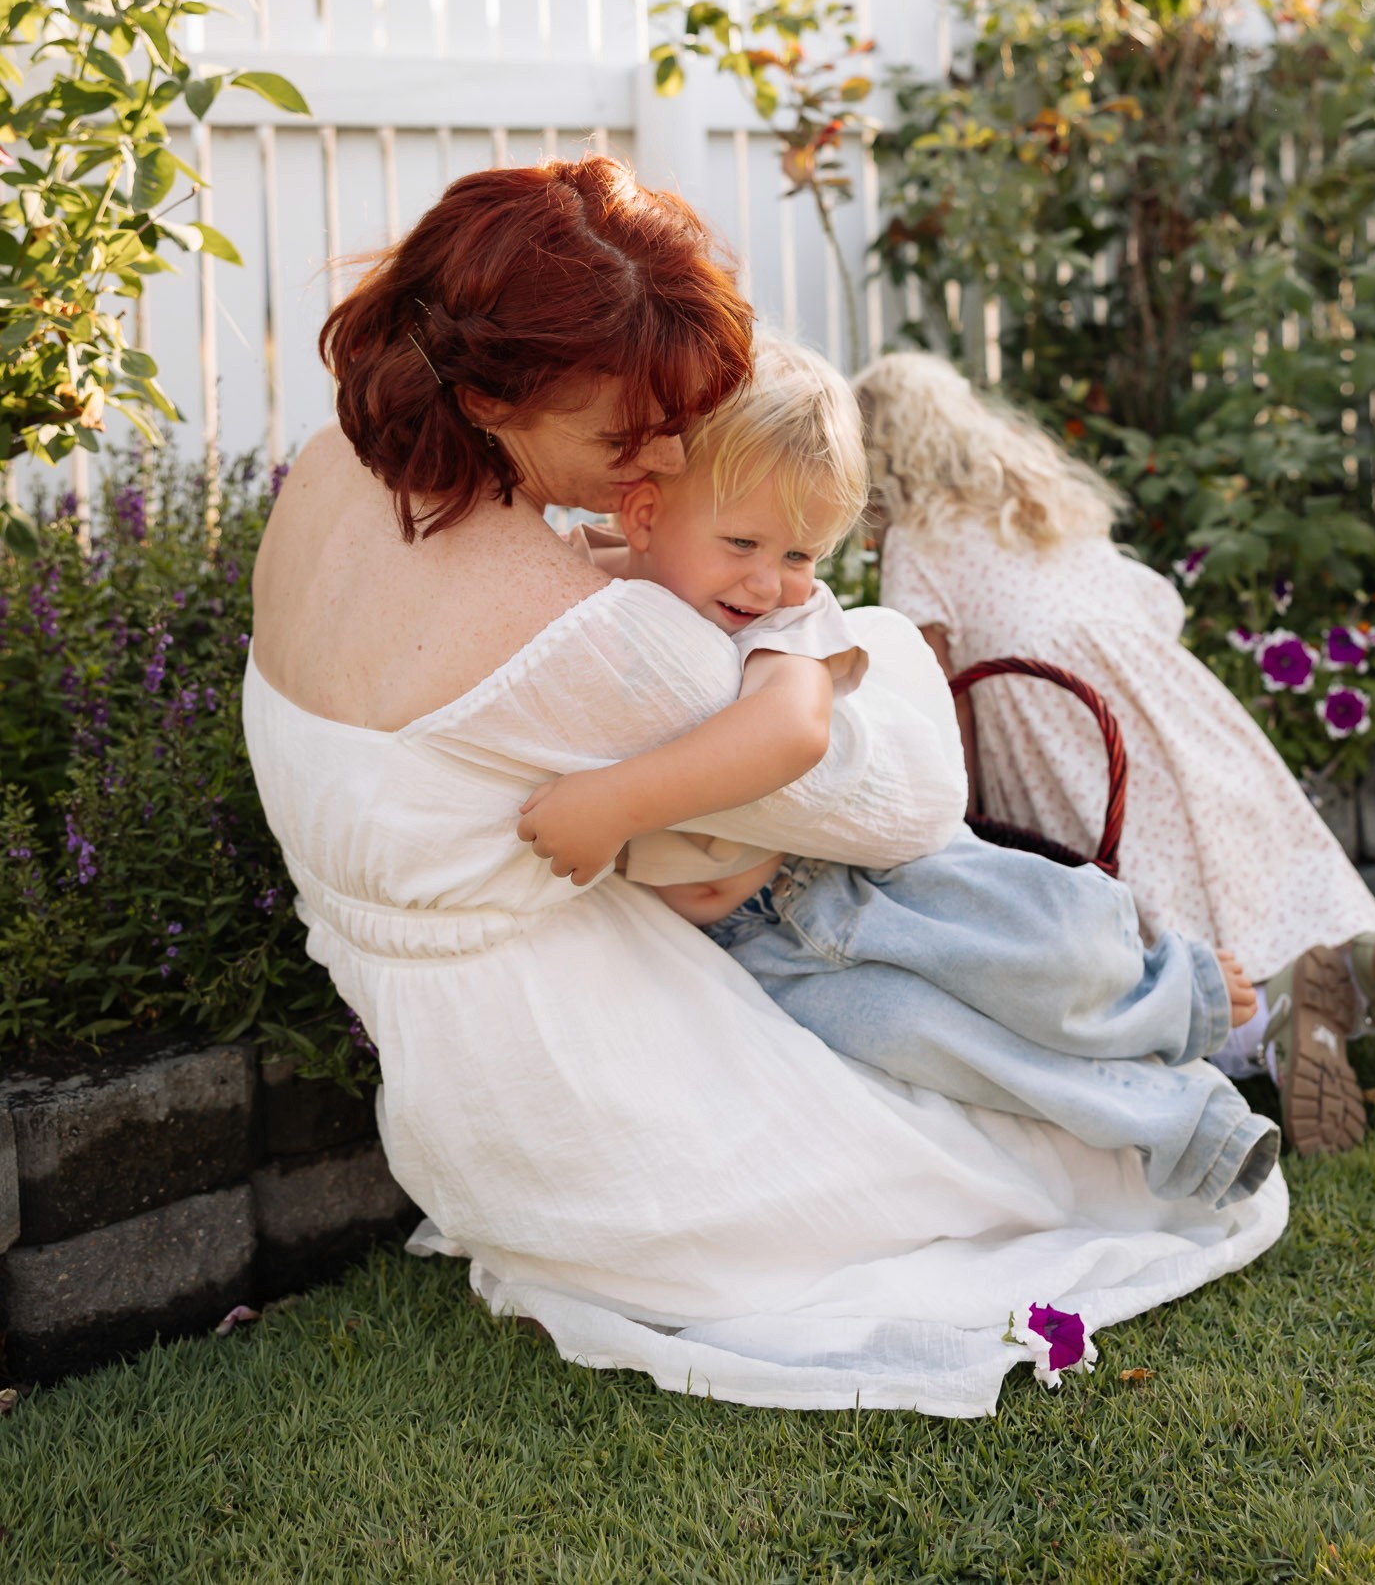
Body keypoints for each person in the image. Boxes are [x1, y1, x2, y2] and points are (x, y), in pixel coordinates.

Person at [245, 157, 1286, 1418]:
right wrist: (877, 648)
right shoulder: (579, 631)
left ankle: (1171, 1004)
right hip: (619, 1118)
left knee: (942, 988)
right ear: (485, 392)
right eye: (623, 431)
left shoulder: (332, 471)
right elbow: (902, 804)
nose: (668, 451)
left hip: (462, 1111)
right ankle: (1183, 1021)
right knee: (991, 1119)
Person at [520, 335, 1281, 1211]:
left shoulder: (783, 629)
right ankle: (1181, 1123)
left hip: (851, 876)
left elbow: (791, 733)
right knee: (927, 1041)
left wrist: (609, 803)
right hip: (761, 949)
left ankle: (1171, 988)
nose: (770, 580)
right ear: (645, 516)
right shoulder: (594, 589)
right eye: (743, 542)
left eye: (802, 556)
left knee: (1045, 943)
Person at [851, 351, 1375, 1158]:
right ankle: (1360, 957)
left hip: (1064, 721)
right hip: (1166, 694)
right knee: (1250, 854)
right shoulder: (1035, 503)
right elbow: (1149, 605)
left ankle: (1268, 1017)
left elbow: (933, 682)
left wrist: (958, 806)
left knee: (1148, 894)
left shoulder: (920, 538)